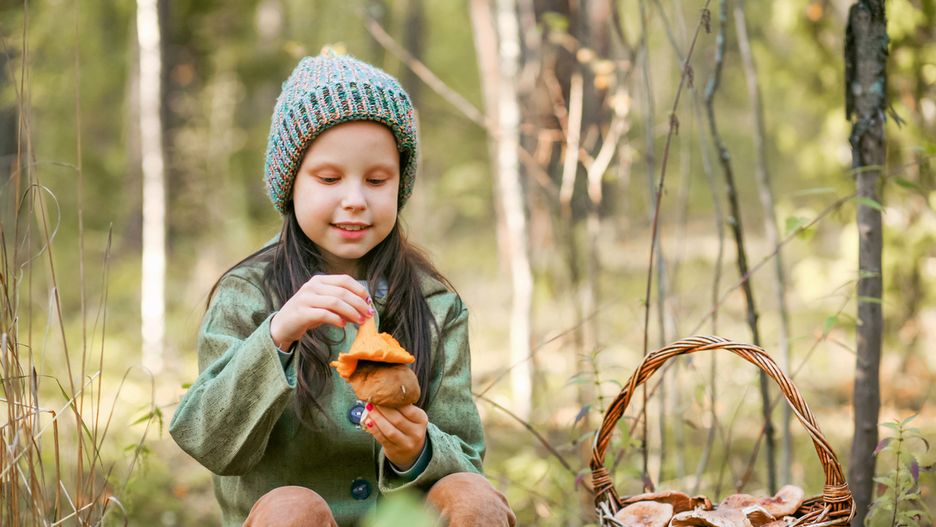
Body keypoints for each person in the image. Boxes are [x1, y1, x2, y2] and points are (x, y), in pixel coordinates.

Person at [169, 48, 516, 527]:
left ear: (400, 185)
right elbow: (207, 440)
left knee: (474, 498)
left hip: (402, 519)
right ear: (290, 183)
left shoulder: (435, 304)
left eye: (377, 180)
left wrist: (418, 449)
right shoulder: (245, 294)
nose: (354, 200)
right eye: (329, 178)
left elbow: (468, 461)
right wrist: (277, 335)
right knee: (292, 508)